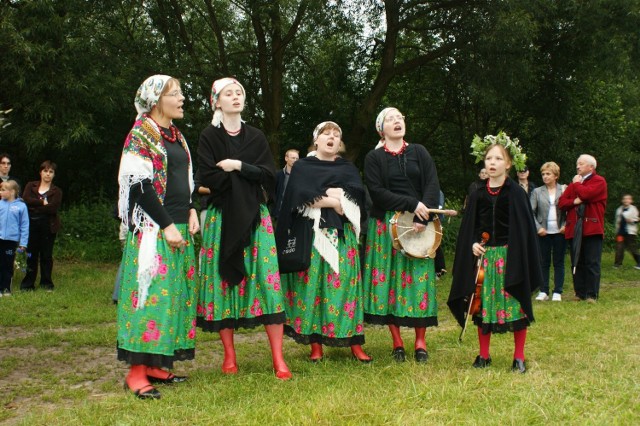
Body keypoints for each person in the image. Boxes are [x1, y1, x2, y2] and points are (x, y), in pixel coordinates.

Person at [196, 77, 291, 380]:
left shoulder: (256, 136)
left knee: (267, 281)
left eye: (239, 93)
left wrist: (237, 166)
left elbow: (268, 176)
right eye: (228, 93)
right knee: (223, 282)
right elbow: (206, 177)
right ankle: (229, 356)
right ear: (216, 101)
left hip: (255, 217)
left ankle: (279, 359)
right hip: (221, 217)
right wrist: (245, 178)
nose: (236, 97)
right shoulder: (209, 136)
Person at [117, 75, 199, 400]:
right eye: (175, 94)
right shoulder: (140, 133)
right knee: (148, 300)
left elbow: (183, 180)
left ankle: (155, 366)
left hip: (179, 224)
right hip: (155, 229)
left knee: (173, 300)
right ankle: (136, 373)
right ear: (156, 100)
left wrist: (191, 210)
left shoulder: (176, 135)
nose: (181, 99)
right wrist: (166, 225)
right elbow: (139, 185)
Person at [276, 121, 371, 363]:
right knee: (314, 288)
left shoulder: (348, 168)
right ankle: (316, 344)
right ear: (316, 140)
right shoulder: (303, 167)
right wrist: (334, 200)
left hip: (343, 235)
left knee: (346, 287)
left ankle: (354, 342)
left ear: (340, 143)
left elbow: (358, 196)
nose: (331, 137)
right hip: (313, 234)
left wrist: (327, 195)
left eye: (336, 134)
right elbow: (299, 197)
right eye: (326, 134)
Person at [448, 132, 542, 373]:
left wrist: (515, 253)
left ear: (508, 164)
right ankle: (483, 355)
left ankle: (519, 357)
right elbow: (470, 228)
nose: (492, 163)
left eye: (498, 159)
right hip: (486, 260)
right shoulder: (477, 192)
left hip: (510, 258)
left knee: (516, 303)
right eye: (489, 158)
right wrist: (472, 244)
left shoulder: (516, 193)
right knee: (483, 305)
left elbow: (524, 230)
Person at [362, 107, 440, 363]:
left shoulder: (419, 151)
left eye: (400, 118)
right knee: (388, 283)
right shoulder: (374, 158)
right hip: (386, 224)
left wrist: (422, 215)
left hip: (419, 222)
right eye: (390, 119)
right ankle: (397, 342)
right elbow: (376, 191)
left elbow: (431, 184)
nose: (397, 121)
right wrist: (410, 204)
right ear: (381, 129)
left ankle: (420, 341)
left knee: (419, 281)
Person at [558, 154, 607, 302]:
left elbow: (586, 194)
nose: (577, 166)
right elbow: (561, 203)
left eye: (581, 164)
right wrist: (575, 200)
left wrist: (577, 185)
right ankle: (580, 293)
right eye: (577, 163)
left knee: (592, 262)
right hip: (575, 229)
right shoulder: (575, 184)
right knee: (577, 262)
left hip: (592, 228)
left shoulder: (599, 181)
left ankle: (592, 295)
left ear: (591, 167)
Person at [20, 160, 62, 292]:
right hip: (31, 224)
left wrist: (35, 207)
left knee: (46, 255)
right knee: (31, 255)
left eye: (51, 172)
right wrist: (41, 203)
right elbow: (26, 200)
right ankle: (28, 284)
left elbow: (52, 208)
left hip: (48, 225)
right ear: (40, 172)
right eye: (45, 171)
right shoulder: (30, 185)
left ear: (54, 175)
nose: (48, 174)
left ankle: (46, 284)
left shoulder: (57, 191)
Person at [531, 162, 567, 302]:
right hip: (543, 232)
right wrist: (538, 228)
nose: (545, 177)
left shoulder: (564, 190)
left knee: (559, 262)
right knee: (543, 262)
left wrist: (565, 226)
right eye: (543, 174)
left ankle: (557, 291)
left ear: (556, 176)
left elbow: (570, 211)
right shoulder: (537, 192)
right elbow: (530, 212)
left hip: (560, 231)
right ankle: (543, 290)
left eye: (548, 174)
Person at [0, 180, 28, 296]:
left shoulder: (21, 206)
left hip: (11, 242)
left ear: (12, 192)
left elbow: (25, 226)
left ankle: (6, 289)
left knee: (7, 264)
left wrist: (23, 243)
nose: (0, 192)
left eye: (2, 190)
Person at [613, 194, 640, 269]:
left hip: (630, 232)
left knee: (632, 248)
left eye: (628, 199)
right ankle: (617, 264)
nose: (626, 200)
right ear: (622, 200)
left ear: (631, 201)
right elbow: (617, 221)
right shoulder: (619, 209)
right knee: (619, 248)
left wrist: (631, 221)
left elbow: (637, 219)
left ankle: (639, 262)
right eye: (624, 199)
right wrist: (617, 230)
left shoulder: (633, 209)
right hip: (620, 232)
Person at [273, 149, 299, 219]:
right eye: (293, 158)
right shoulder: (278, 174)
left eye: (297, 158)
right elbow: (273, 192)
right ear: (286, 158)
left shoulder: (300, 176)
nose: (295, 160)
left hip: (295, 214)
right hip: (279, 212)